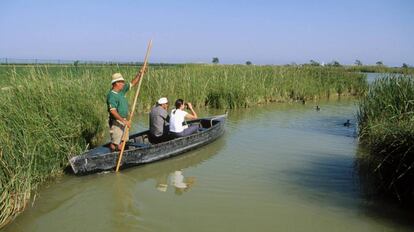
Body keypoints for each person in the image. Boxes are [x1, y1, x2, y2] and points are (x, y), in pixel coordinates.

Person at [107, 71, 143, 151]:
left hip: (124, 120)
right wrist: (123, 121)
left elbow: (132, 83)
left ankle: (121, 152)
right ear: (116, 83)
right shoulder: (111, 95)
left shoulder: (121, 92)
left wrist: (139, 74)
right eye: (122, 82)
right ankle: (113, 154)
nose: (123, 84)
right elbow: (113, 111)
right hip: (117, 122)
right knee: (115, 143)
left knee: (123, 141)